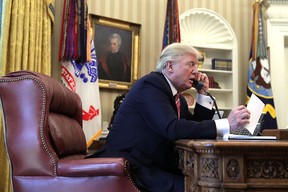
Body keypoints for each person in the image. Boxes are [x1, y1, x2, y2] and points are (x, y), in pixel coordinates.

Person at [88, 43, 250, 192]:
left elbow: (192, 128)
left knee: (209, 183)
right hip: (132, 168)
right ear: (170, 66)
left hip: (155, 165)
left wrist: (202, 95)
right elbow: (172, 128)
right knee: (202, 188)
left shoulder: (177, 98)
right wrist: (227, 123)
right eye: (190, 64)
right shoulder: (150, 85)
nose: (197, 71)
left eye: (197, 65)